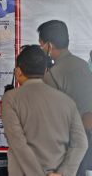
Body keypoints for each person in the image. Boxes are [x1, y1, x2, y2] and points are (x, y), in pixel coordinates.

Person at [2, 45, 88, 176]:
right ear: (46, 70)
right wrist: (63, 173)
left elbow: (18, 144)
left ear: (18, 71)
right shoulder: (67, 102)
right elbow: (81, 143)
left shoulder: (11, 99)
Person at [38, 20, 92, 176]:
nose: (42, 49)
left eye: (42, 45)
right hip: (86, 140)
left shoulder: (53, 75)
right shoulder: (83, 66)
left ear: (49, 45)